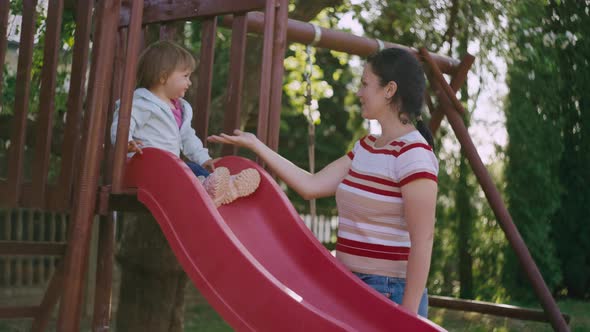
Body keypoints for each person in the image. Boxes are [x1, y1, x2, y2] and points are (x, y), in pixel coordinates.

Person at [208, 48, 438, 317]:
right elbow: (311, 185)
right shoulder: (365, 147)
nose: (359, 92)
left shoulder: (414, 154)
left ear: (389, 90)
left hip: (389, 291)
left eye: (365, 84)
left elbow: (423, 239)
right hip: (348, 283)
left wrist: (408, 314)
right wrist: (257, 146)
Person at [110, 40, 260, 207]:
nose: (189, 82)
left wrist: (204, 159)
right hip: (145, 169)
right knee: (185, 172)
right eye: (185, 76)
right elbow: (123, 122)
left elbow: (188, 137)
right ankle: (210, 187)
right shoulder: (142, 102)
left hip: (170, 168)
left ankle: (225, 186)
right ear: (163, 76)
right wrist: (125, 141)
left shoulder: (180, 108)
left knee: (191, 169)